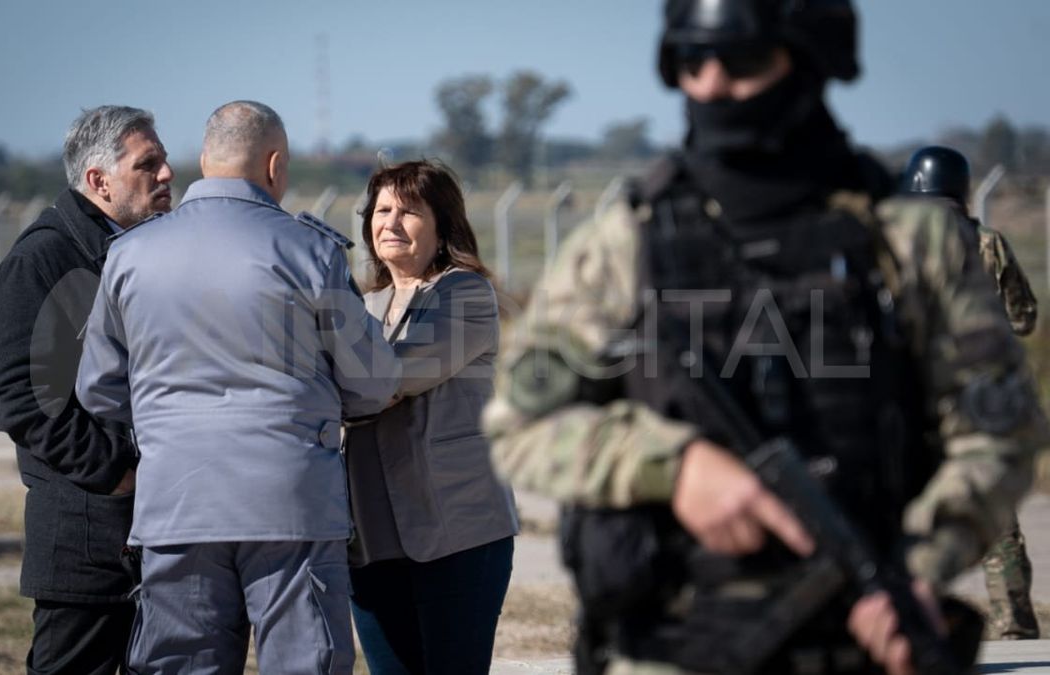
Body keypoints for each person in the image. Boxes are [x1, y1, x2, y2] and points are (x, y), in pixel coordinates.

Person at [483, 2, 1048, 674]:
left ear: (807, 60)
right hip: (675, 644)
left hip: (867, 636)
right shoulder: (624, 247)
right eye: (693, 63)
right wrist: (673, 463)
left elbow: (1002, 429)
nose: (715, 84)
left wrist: (922, 567)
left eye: (743, 61)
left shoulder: (906, 242)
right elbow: (520, 421)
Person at [75, 100, 399, 675]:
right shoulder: (311, 252)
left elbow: (99, 388)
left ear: (203, 160)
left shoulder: (128, 255)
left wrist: (168, 417)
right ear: (274, 165)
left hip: (176, 502)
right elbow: (371, 383)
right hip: (290, 503)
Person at [0, 105, 174, 675]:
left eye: (164, 162)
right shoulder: (44, 258)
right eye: (149, 164)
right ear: (98, 181)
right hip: (86, 540)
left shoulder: (150, 249)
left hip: (155, 531)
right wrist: (117, 471)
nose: (166, 175)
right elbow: (13, 393)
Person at [344, 160, 520, 675]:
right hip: (371, 542)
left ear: (443, 225)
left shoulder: (464, 294)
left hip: (459, 533)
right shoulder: (362, 307)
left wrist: (322, 388)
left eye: (410, 211)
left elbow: (388, 380)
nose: (391, 223)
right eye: (381, 210)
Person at [899, 144, 1040, 640]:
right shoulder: (988, 243)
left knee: (909, 511)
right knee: (991, 514)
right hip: (978, 396)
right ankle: (1015, 623)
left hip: (912, 397)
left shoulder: (897, 243)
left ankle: (913, 621)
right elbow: (1025, 319)